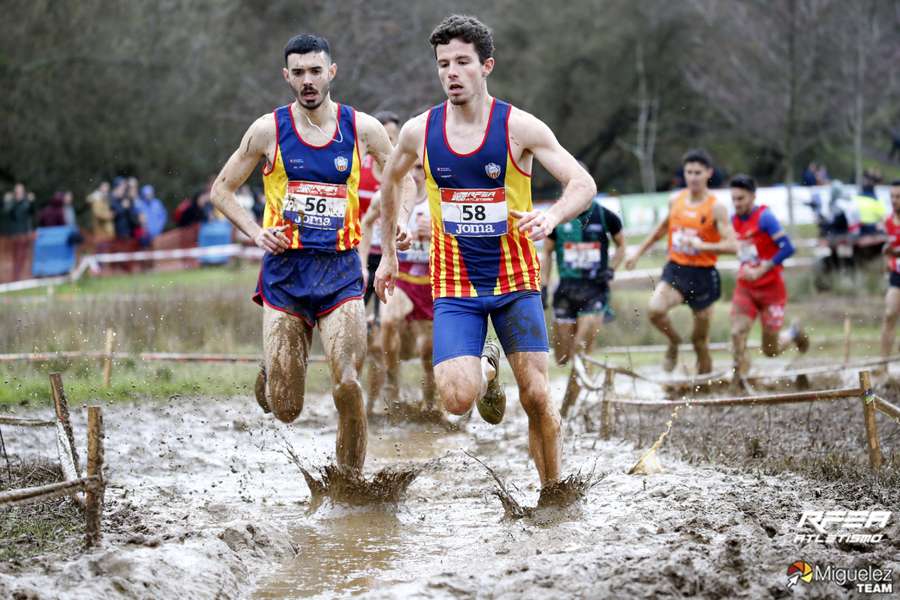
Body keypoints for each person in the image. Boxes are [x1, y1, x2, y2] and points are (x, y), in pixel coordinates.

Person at [375, 15, 596, 486]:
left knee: (536, 396)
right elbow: (390, 179)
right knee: (455, 399)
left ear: (486, 66)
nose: (451, 72)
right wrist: (390, 248)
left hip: (516, 281)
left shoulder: (519, 127)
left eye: (462, 62)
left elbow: (583, 182)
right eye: (443, 64)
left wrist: (552, 216)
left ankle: (553, 491)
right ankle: (486, 364)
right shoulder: (420, 131)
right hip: (455, 285)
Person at [209, 33, 407, 474]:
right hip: (285, 273)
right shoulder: (267, 130)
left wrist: (403, 224)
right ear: (287, 77)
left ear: (331, 72)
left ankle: (350, 482)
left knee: (349, 383)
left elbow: (402, 178)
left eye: (316, 71)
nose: (308, 81)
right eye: (298, 73)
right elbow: (221, 190)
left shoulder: (363, 128)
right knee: (286, 409)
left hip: (340, 271)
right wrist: (257, 232)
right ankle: (272, 373)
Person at [625, 149, 737, 374]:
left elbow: (733, 246)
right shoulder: (676, 200)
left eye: (698, 172)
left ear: (708, 174)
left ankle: (704, 391)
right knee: (655, 310)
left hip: (704, 274)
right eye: (689, 172)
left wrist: (703, 246)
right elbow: (661, 230)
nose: (693, 177)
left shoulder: (716, 207)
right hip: (676, 269)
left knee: (699, 341)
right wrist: (637, 253)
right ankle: (674, 342)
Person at [541, 191, 625, 416]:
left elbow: (622, 248)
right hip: (566, 291)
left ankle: (565, 411)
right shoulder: (557, 217)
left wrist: (611, 269)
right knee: (562, 357)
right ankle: (568, 400)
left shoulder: (606, 217)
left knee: (580, 349)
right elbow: (547, 253)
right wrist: (544, 285)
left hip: (595, 291)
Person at [361, 161, 435, 413]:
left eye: (421, 166)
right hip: (401, 280)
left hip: (431, 285)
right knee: (389, 320)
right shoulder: (387, 196)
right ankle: (392, 385)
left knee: (428, 352)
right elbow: (366, 223)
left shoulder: (440, 199)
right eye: (412, 167)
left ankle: (431, 407)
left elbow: (466, 239)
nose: (416, 173)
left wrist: (439, 231)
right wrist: (362, 265)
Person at [728, 175, 808, 389]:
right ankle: (740, 380)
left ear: (753, 196)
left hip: (771, 291)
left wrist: (763, 268)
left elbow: (788, 248)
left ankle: (793, 333)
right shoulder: (733, 220)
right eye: (733, 199)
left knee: (770, 350)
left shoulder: (765, 218)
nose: (737, 204)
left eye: (741, 199)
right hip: (745, 287)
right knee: (737, 333)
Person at [358, 111, 401, 412]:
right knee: (359, 332)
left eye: (394, 138)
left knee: (386, 331)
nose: (390, 143)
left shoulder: (403, 174)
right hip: (359, 257)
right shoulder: (357, 172)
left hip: (392, 259)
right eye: (384, 137)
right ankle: (352, 389)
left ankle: (388, 394)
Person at [879, 181, 900, 365]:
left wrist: (894, 252)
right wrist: (888, 260)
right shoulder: (888, 221)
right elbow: (889, 248)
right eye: (892, 196)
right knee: (889, 313)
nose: (894, 200)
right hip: (897, 275)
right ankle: (882, 366)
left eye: (898, 196)